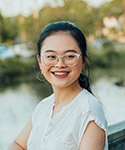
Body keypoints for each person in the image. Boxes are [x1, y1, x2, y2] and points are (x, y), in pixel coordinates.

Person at [8, 21, 108, 150]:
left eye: (70, 56)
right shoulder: (44, 106)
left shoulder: (89, 111)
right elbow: (19, 144)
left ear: (83, 61)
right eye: (51, 56)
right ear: (40, 61)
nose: (60, 64)